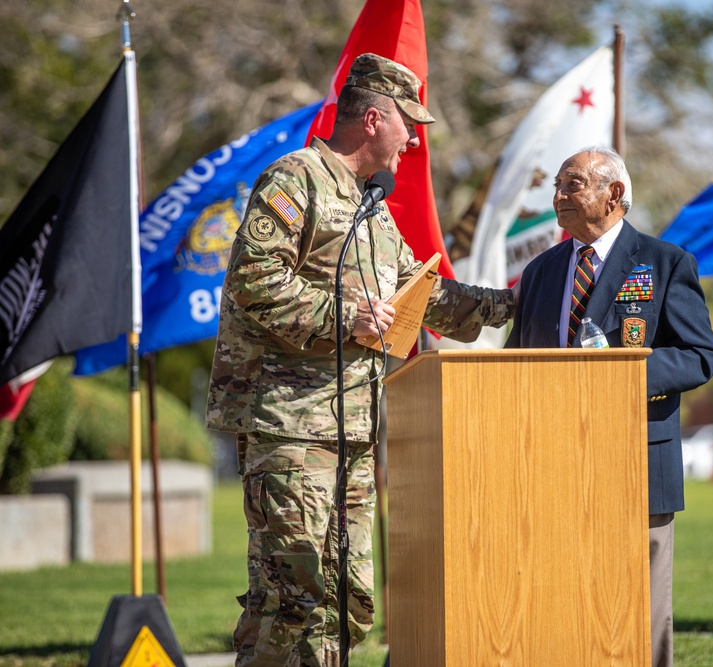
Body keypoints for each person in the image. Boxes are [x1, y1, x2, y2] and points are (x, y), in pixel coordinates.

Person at [205, 53, 516, 667]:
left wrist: (520, 302)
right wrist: (341, 316)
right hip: (289, 428)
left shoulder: (371, 208)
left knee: (348, 601)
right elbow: (252, 281)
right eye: (410, 124)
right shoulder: (295, 180)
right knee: (290, 599)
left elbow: (427, 297)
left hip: (352, 433)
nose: (415, 140)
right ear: (374, 119)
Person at [504, 146, 713, 667]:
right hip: (551, 464)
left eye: (572, 184)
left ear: (614, 194)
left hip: (636, 462)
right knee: (560, 602)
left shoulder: (665, 263)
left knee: (640, 610)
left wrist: (618, 379)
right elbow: (515, 361)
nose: (558, 197)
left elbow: (700, 355)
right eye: (557, 185)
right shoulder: (539, 272)